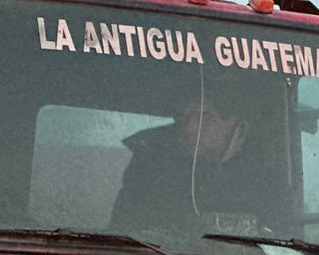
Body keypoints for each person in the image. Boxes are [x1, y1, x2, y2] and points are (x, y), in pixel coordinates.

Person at [109, 91, 292, 240]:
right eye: (182, 117)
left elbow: (285, 238)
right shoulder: (151, 165)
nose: (188, 127)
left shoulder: (267, 169)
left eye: (202, 115)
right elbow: (125, 233)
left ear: (232, 122)